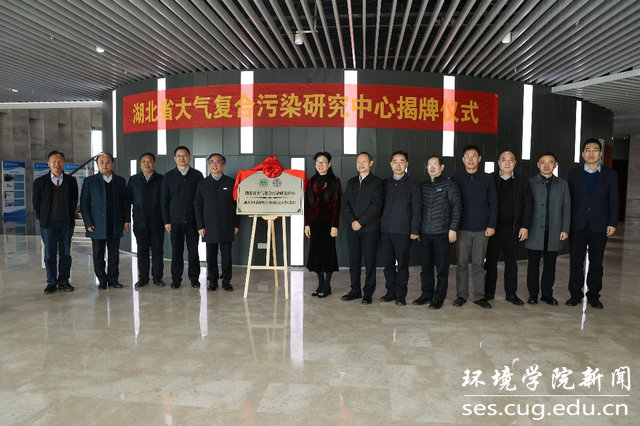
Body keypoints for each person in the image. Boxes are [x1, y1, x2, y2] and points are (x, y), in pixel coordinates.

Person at [566, 139, 619, 309]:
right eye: (587, 150)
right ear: (583, 154)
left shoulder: (610, 175)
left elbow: (614, 200)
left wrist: (612, 222)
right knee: (575, 262)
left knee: (596, 263)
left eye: (595, 150)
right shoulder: (573, 174)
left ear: (600, 153)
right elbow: (569, 201)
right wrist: (566, 224)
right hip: (577, 225)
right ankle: (575, 294)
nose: (591, 153)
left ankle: (594, 295)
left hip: (600, 225)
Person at [484, 151, 533, 306]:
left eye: (510, 160)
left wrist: (524, 226)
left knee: (511, 264)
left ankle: (511, 294)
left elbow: (528, 205)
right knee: (490, 262)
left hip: (513, 229)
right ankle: (488, 292)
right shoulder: (490, 179)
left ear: (515, 162)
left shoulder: (522, 181)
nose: (507, 163)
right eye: (504, 160)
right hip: (493, 229)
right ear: (498, 162)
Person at [451, 145, 497, 309]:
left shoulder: (487, 178)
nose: (470, 159)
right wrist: (453, 227)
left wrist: (491, 225)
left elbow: (493, 203)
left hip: (482, 229)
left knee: (478, 264)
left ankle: (479, 296)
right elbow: (452, 204)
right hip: (462, 229)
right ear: (463, 159)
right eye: (467, 156)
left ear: (479, 159)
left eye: (474, 156)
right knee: (462, 264)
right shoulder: (456, 178)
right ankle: (461, 295)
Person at [416, 155, 461, 310]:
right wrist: (418, 230)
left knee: (442, 269)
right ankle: (426, 294)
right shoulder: (423, 186)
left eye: (435, 165)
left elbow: (457, 207)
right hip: (425, 234)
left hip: (442, 233)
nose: (432, 168)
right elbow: (418, 209)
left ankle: (439, 298)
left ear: (442, 167)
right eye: (429, 165)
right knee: (426, 268)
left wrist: (453, 229)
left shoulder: (449, 185)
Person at [526, 152, 570, 305]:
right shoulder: (530, 183)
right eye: (543, 162)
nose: (546, 165)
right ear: (538, 165)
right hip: (534, 231)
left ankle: (547, 294)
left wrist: (565, 229)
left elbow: (567, 208)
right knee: (533, 266)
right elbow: (525, 207)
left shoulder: (563, 184)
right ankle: (533, 294)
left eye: (550, 162)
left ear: (555, 165)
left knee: (550, 266)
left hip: (554, 231)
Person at [80, 153, 130, 289]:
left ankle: (113, 279)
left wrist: (126, 219)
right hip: (97, 224)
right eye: (101, 162)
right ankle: (102, 280)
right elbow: (84, 204)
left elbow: (125, 202)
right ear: (97, 164)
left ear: (112, 163)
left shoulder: (120, 181)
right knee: (98, 254)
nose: (104, 164)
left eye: (107, 162)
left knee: (114, 254)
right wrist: (88, 222)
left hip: (115, 223)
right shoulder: (90, 181)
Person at [379, 151, 421, 306]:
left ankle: (400, 295)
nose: (398, 165)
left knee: (402, 265)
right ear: (391, 164)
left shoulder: (413, 184)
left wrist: (414, 230)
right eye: (395, 161)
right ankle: (390, 292)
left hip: (403, 231)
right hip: (385, 231)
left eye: (401, 161)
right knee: (388, 265)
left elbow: (417, 209)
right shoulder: (384, 183)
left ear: (407, 164)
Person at [33, 150, 78, 294]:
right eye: (54, 161)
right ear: (49, 163)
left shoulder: (71, 181)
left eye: (60, 161)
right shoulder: (40, 182)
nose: (57, 164)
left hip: (66, 224)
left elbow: (74, 201)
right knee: (49, 254)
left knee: (65, 254)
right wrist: (43, 219)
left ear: (64, 163)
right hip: (49, 225)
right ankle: (51, 282)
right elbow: (36, 204)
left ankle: (64, 281)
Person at [341, 152, 384, 305]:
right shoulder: (351, 182)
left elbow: (376, 206)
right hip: (353, 228)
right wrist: (353, 221)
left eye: (364, 161)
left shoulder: (377, 183)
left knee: (370, 261)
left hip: (370, 229)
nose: (361, 164)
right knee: (354, 260)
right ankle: (355, 290)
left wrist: (361, 222)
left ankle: (368, 293)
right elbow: (345, 204)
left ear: (371, 163)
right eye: (359, 162)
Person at [161, 146, 204, 289]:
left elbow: (201, 200)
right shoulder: (168, 176)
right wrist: (166, 221)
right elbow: (164, 200)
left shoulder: (197, 175)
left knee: (193, 251)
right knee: (176, 251)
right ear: (174, 158)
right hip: (175, 221)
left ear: (189, 157)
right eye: (179, 156)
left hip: (193, 221)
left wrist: (201, 222)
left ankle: (194, 279)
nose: (182, 158)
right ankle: (176, 279)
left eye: (184, 155)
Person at [194, 153, 239, 292]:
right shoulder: (202, 183)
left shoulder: (231, 182)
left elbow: (237, 205)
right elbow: (197, 206)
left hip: (227, 225)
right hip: (209, 226)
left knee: (226, 256)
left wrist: (236, 224)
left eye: (218, 162)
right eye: (211, 162)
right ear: (209, 165)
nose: (214, 164)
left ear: (223, 165)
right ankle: (212, 281)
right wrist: (200, 226)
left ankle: (226, 281)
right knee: (211, 255)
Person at [304, 152, 341, 298]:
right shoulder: (311, 180)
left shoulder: (335, 181)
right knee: (316, 254)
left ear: (329, 164)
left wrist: (335, 225)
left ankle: (327, 285)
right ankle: (320, 284)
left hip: (328, 224)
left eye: (323, 162)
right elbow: (307, 204)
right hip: (314, 223)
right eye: (318, 162)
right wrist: (306, 224)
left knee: (328, 254)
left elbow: (337, 205)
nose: (320, 165)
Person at [127, 152, 165, 288]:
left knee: (157, 251)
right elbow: (127, 201)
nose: (146, 164)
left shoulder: (161, 179)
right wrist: (127, 219)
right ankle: (143, 278)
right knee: (142, 251)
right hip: (140, 222)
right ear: (140, 164)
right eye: (144, 161)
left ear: (154, 163)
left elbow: (166, 201)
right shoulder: (134, 180)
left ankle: (157, 278)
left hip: (157, 222)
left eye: (149, 161)